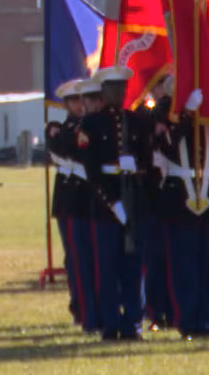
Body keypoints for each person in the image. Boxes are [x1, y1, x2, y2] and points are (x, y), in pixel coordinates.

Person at [75, 66, 151, 341]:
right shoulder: (91, 125)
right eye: (113, 89)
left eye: (122, 88)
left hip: (133, 199)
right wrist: (112, 202)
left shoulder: (137, 121)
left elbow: (148, 160)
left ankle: (133, 323)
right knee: (106, 268)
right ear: (104, 92)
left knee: (133, 267)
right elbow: (92, 170)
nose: (118, 93)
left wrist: (137, 166)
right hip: (106, 206)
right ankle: (110, 324)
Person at [156, 85, 209, 340]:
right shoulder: (161, 112)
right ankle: (188, 320)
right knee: (185, 265)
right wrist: (187, 113)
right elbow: (166, 145)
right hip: (180, 197)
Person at [46, 78, 97, 333]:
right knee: (76, 259)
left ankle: (94, 306)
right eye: (75, 101)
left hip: (93, 199)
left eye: (83, 99)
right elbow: (62, 148)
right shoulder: (61, 129)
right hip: (70, 202)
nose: (80, 105)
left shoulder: (91, 127)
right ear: (66, 105)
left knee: (95, 257)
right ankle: (80, 307)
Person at [138, 74, 174, 332]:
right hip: (152, 197)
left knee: (177, 258)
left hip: (179, 194)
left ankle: (173, 310)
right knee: (154, 258)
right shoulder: (146, 115)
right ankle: (156, 311)